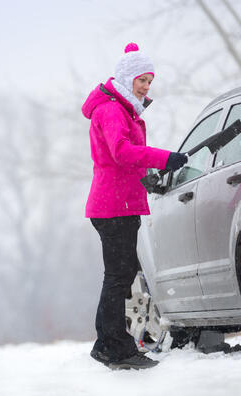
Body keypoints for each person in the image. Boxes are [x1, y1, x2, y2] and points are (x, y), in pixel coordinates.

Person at [81, 43, 188, 370]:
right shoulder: (112, 110)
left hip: (120, 202)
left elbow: (126, 161)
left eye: (149, 81)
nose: (146, 86)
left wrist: (150, 175)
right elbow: (122, 153)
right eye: (142, 80)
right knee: (119, 276)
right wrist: (164, 158)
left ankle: (106, 344)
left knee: (120, 274)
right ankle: (116, 348)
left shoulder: (121, 108)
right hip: (112, 205)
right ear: (127, 79)